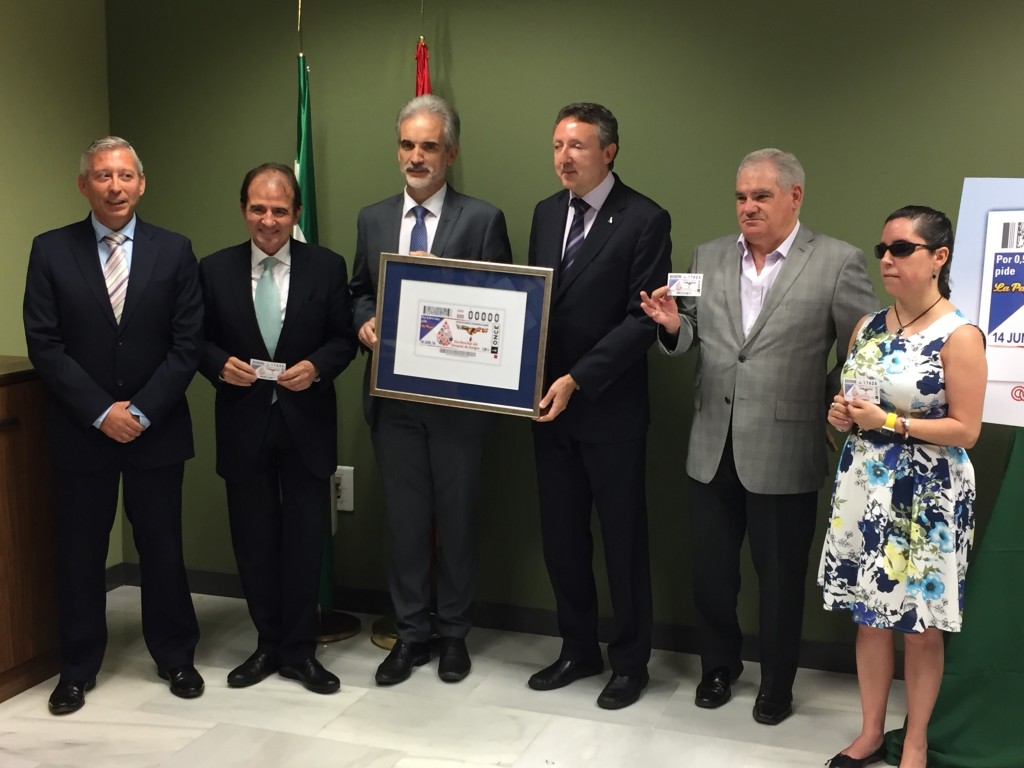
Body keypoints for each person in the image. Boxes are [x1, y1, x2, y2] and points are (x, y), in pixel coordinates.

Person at [640, 148, 877, 724]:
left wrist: (829, 403)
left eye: (761, 196)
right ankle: (719, 667)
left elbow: (863, 351)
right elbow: (690, 332)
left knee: (779, 578)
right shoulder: (708, 254)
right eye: (741, 196)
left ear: (795, 196)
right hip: (710, 442)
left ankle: (777, 683)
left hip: (785, 445)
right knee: (712, 572)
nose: (748, 207)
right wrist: (673, 327)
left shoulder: (838, 261)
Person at [23, 136, 205, 714]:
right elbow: (44, 345)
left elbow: (187, 343)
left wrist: (141, 411)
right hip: (83, 431)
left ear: (142, 183)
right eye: (103, 176)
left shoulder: (175, 251)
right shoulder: (50, 251)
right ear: (85, 186)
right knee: (80, 554)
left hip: (158, 429)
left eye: (125, 176)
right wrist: (103, 413)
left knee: (162, 548)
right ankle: (76, 668)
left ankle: (175, 656)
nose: (115, 186)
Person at [349, 94, 512, 685]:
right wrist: (363, 321)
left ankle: (453, 635)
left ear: (452, 153)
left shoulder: (482, 219)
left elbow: (502, 306)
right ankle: (411, 634)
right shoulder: (372, 218)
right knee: (407, 523)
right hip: (392, 403)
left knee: (459, 522)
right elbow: (358, 289)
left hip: (457, 405)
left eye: (429, 146)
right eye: (408, 145)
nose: (417, 157)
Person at [819, 206, 986, 768]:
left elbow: (967, 428)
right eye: (882, 249)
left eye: (902, 249)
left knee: (918, 625)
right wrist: (843, 414)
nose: (887, 259)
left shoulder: (958, 335)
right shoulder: (867, 326)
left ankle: (913, 742)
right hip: (866, 485)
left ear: (938, 257)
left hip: (927, 495)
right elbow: (854, 399)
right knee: (870, 615)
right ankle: (869, 732)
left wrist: (889, 423)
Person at [527, 102, 671, 710]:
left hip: (608, 409)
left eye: (578, 146)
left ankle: (630, 663)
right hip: (545, 408)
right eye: (558, 144)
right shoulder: (543, 213)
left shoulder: (644, 218)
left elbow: (644, 320)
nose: (564, 157)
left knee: (622, 543)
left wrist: (577, 380)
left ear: (608, 152)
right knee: (562, 539)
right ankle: (577, 648)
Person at [198, 163, 357, 695]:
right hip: (244, 425)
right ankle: (266, 644)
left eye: (280, 210)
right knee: (254, 541)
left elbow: (344, 339)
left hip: (306, 424)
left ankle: (300, 651)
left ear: (297, 213)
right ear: (244, 209)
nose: (269, 220)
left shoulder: (327, 267)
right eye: (258, 209)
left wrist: (318, 367)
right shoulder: (214, 269)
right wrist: (219, 365)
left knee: (305, 541)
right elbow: (195, 340)